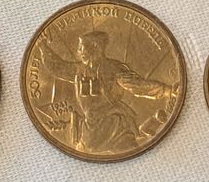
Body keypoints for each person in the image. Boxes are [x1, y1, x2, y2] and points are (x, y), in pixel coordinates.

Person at [38, 31, 178, 153]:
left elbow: (138, 85)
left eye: (82, 47)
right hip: (90, 129)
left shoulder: (114, 69)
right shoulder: (79, 70)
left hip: (116, 127)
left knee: (131, 156)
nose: (78, 51)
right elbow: (57, 67)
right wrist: (43, 46)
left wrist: (168, 90)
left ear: (95, 47)